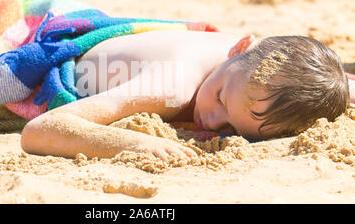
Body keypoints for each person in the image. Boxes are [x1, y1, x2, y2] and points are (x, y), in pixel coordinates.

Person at [20, 31, 352, 161]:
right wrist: (134, 144)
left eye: (232, 129)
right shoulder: (170, 88)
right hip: (73, 58)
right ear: (239, 48)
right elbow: (40, 131)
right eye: (221, 99)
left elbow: (319, 75)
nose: (211, 120)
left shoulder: (245, 62)